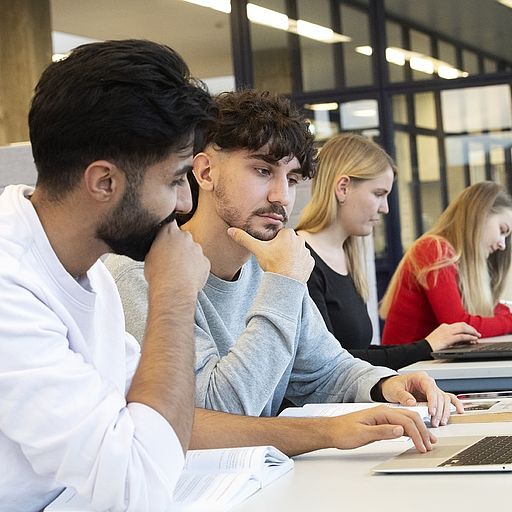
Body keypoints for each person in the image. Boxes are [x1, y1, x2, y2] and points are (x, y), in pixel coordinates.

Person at [106, 89, 462, 447]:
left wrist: (385, 385)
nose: (282, 197)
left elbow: (327, 370)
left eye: (291, 179)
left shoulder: (268, 269)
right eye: (263, 171)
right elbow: (215, 411)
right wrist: (283, 283)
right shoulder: (143, 276)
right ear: (206, 172)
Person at [0, 39, 214, 512]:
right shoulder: (8, 283)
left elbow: (150, 420)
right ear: (104, 182)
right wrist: (174, 295)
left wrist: (321, 432)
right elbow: (136, 488)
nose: (184, 205)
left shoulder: (86, 266)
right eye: (177, 179)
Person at [295, 133, 480, 370]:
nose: (385, 208)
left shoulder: (345, 256)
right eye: (379, 194)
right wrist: (426, 346)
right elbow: (331, 364)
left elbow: (357, 351)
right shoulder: (301, 260)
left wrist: (432, 345)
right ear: (343, 188)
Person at [380, 180, 512, 345]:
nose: (502, 244)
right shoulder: (434, 249)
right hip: (407, 368)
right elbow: (458, 326)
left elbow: (491, 311)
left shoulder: (454, 258)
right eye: (502, 230)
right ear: (481, 214)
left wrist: (506, 315)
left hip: (425, 365)